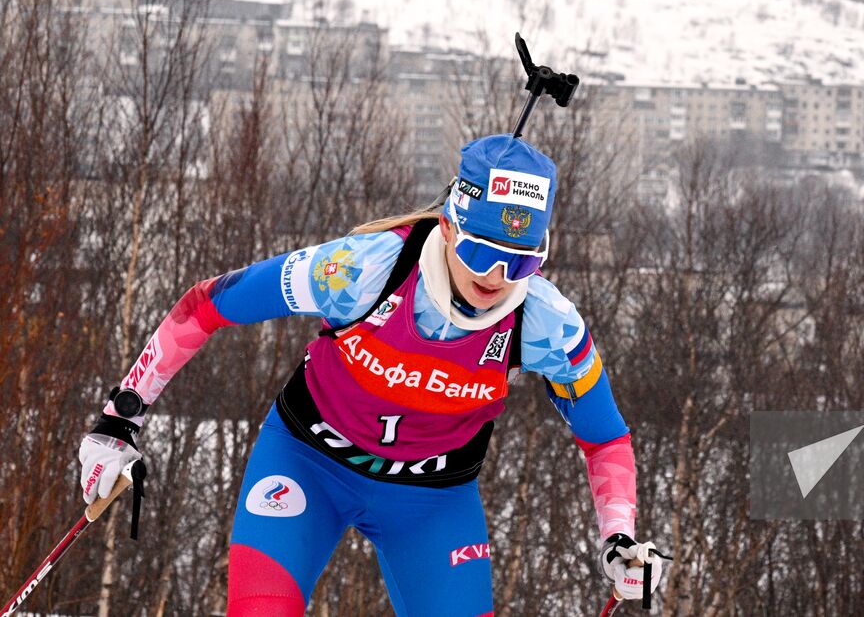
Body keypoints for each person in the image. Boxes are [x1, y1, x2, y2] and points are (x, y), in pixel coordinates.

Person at [77, 135, 666, 616]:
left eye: (521, 261)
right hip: (308, 465)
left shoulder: (545, 322)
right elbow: (206, 306)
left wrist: (619, 535)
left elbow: (605, 437)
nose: (496, 278)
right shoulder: (360, 270)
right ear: (451, 226)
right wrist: (119, 419)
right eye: (483, 252)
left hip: (431, 503)